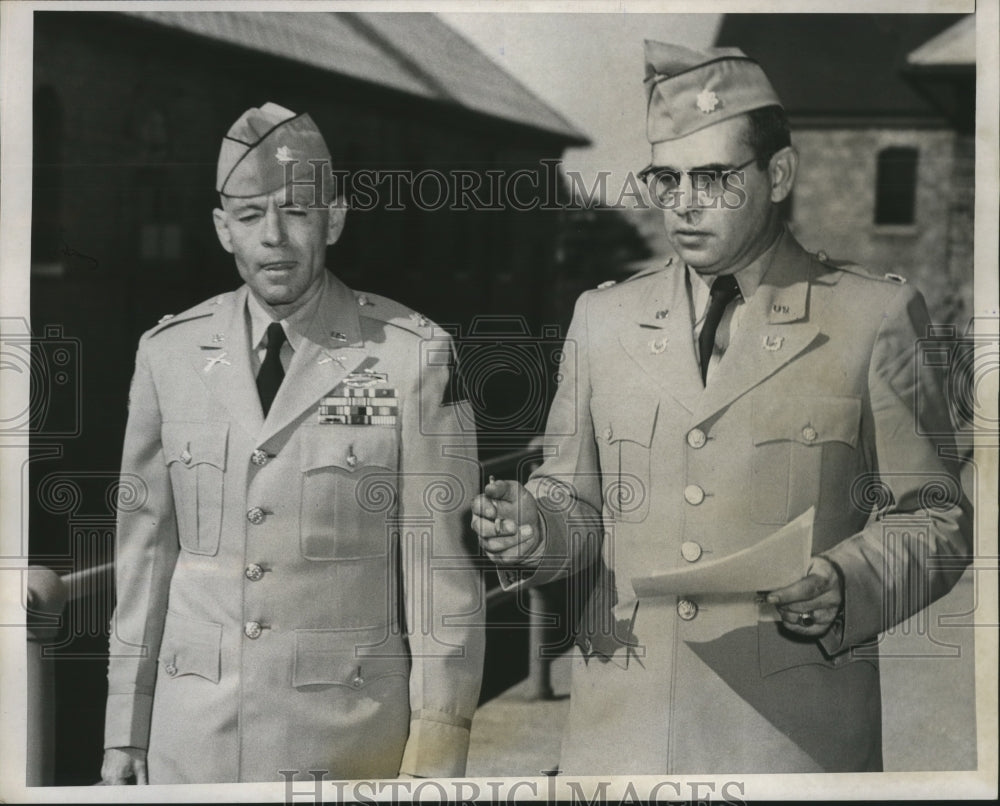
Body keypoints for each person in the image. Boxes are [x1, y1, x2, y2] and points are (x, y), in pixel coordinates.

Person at [473, 41, 972, 774]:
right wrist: (535, 529)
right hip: (623, 740)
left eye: (712, 177)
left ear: (779, 175)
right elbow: (570, 500)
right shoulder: (603, 319)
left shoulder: (874, 316)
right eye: (665, 179)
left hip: (790, 742)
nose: (684, 204)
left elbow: (934, 517)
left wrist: (847, 582)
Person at [101, 103, 484, 784]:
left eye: (297, 212)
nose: (273, 237)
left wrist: (438, 746)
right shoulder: (169, 354)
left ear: (334, 217)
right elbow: (143, 554)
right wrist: (124, 733)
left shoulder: (410, 356)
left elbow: (442, 574)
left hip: (343, 745)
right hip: (191, 746)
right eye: (250, 217)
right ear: (223, 229)